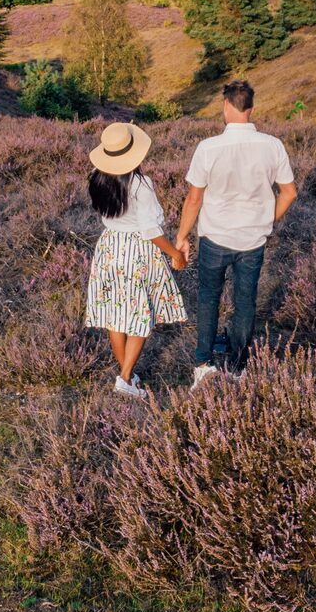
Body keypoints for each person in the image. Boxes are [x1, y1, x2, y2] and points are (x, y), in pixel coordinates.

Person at [175, 80, 297, 387]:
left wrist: (182, 237)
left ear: (226, 107)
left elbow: (194, 198)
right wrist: (266, 221)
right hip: (253, 240)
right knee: (245, 302)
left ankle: (204, 363)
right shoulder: (273, 146)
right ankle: (240, 367)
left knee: (208, 298)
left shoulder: (209, 148)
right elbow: (289, 193)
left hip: (215, 237)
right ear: (252, 109)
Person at [84, 121, 188, 399]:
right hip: (137, 252)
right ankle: (126, 377)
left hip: (109, 248)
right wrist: (175, 253)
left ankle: (126, 374)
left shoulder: (97, 176)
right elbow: (151, 231)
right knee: (142, 315)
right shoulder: (141, 184)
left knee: (116, 315)